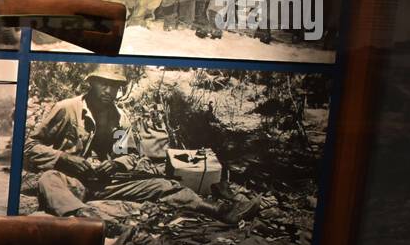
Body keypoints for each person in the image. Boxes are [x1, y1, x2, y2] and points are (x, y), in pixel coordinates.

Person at [24, 65, 258, 224]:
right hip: (71, 180)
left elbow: (127, 154)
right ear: (91, 83)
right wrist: (64, 159)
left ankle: (216, 210)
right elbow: (31, 146)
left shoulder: (120, 117)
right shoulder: (68, 108)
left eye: (115, 85)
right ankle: (81, 217)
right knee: (49, 179)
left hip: (106, 183)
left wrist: (115, 165)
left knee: (163, 185)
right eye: (103, 83)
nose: (109, 90)